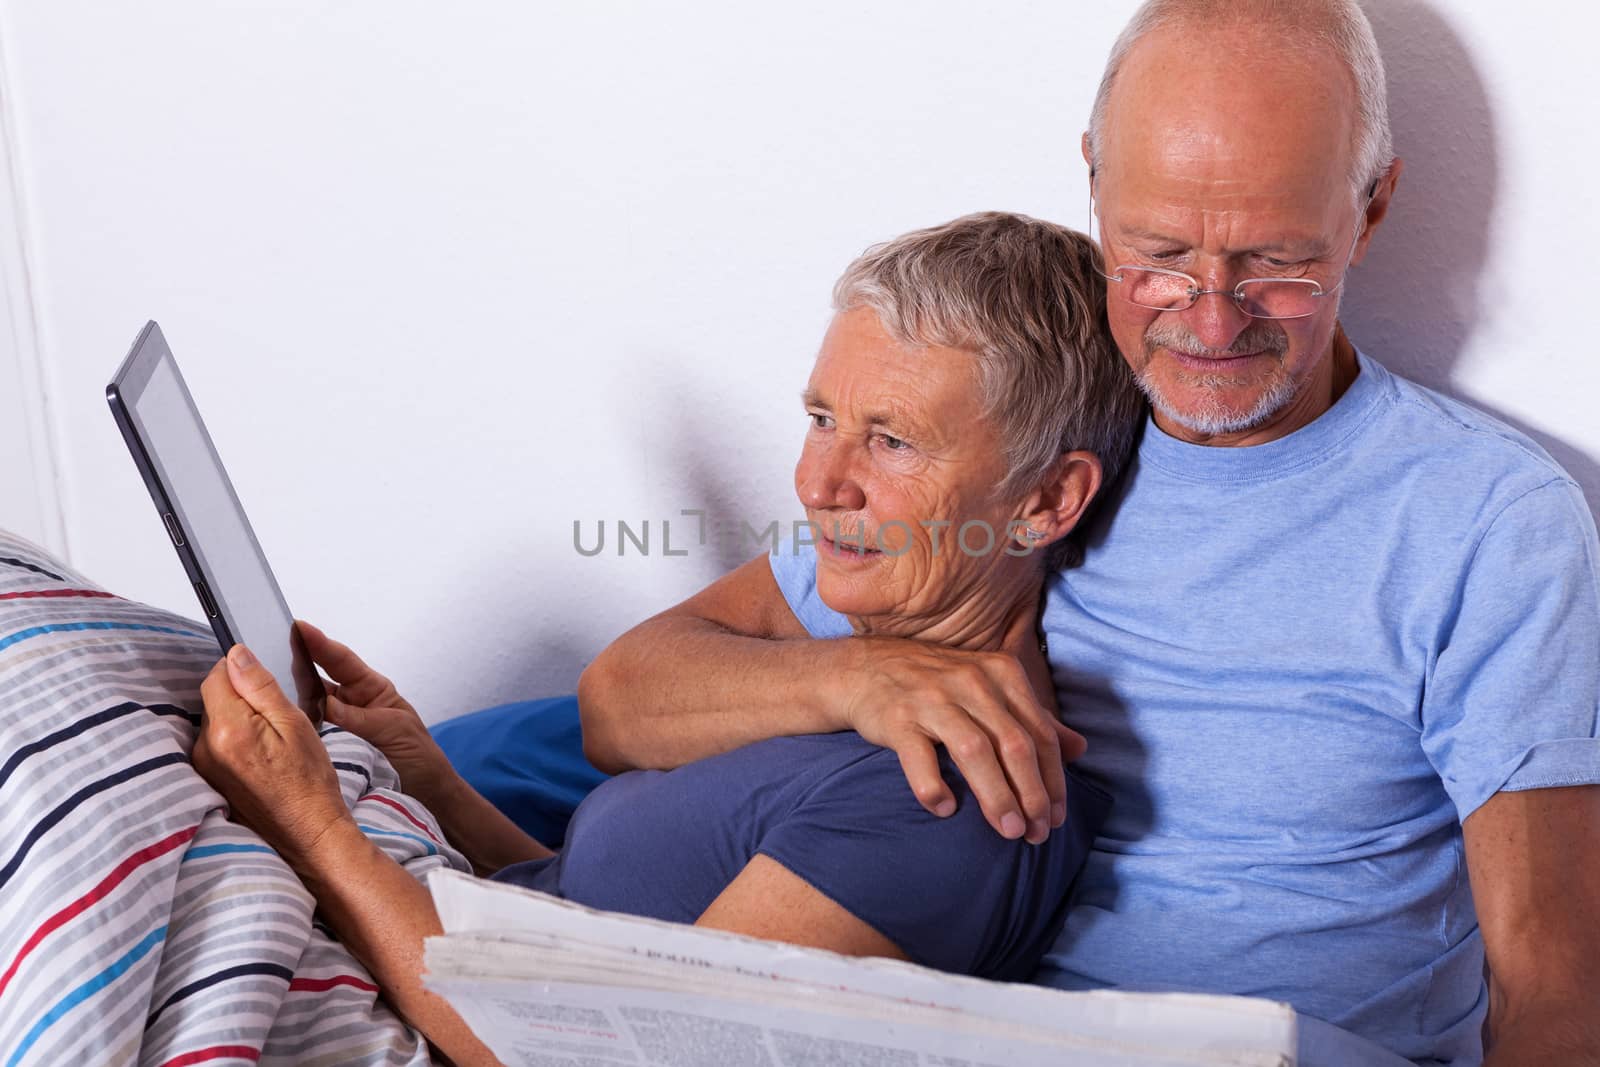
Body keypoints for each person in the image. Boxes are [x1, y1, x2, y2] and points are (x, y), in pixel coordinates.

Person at [577, 4, 1600, 1066]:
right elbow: (618, 701)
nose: (1209, 320)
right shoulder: (1019, 424)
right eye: (1156, 253)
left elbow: (1554, 987)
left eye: (1275, 262)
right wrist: (858, 679)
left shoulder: (1486, 521)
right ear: (1094, 188)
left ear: (1370, 207)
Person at [192, 213, 1143, 1066]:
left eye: (891, 441)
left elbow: (592, 1048)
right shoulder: (862, 660)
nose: (820, 483)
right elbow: (593, 915)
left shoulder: (952, 798)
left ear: (1047, 501)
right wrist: (432, 781)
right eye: (820, 419)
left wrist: (312, 827)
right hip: (441, 930)